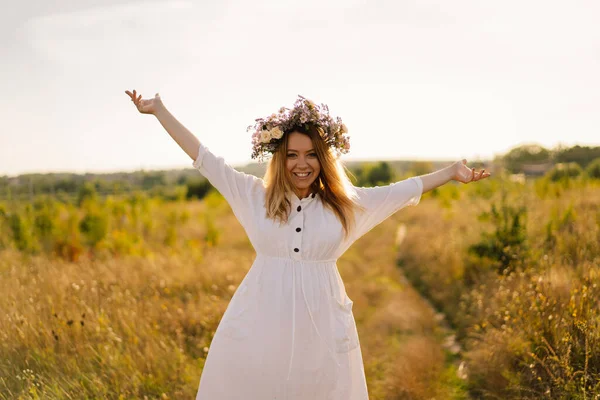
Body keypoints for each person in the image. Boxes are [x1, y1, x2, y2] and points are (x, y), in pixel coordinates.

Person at [125, 90, 490, 400]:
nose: (302, 164)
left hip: (323, 326)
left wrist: (451, 172)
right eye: (293, 155)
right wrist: (159, 111)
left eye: (311, 154)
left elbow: (401, 191)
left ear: (323, 158)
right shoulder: (253, 196)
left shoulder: (346, 205)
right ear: (280, 159)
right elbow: (204, 158)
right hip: (260, 322)